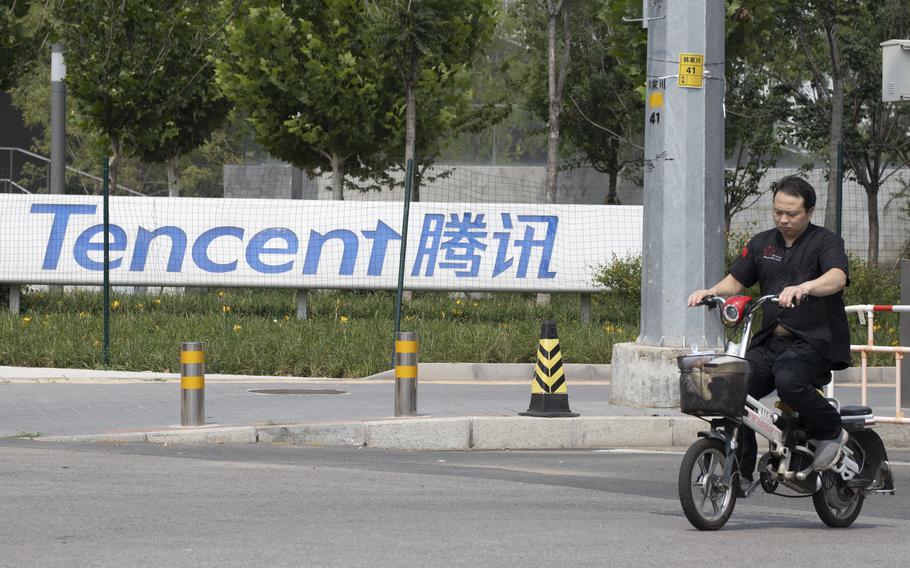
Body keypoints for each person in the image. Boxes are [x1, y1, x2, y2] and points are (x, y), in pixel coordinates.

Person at [687, 175, 851, 489]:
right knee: (731, 389)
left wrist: (806, 287)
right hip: (770, 341)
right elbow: (736, 280)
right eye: (778, 212)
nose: (783, 219)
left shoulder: (825, 242)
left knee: (789, 383)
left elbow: (837, 278)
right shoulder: (763, 243)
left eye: (792, 213)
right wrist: (710, 291)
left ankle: (831, 428)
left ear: (810, 212)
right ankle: (741, 470)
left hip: (812, 341)